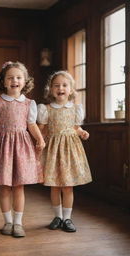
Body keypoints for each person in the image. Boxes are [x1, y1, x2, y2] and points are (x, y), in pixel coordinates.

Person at [0, 61, 45, 238]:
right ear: (4, 82)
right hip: (3, 147)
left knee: (19, 186)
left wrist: (40, 138)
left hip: (22, 147)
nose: (15, 80)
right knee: (5, 186)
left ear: (25, 81)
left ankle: (18, 223)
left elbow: (31, 125)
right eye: (10, 77)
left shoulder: (29, 103)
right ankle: (7, 221)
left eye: (19, 77)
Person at [37, 70, 92, 232]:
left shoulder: (75, 108)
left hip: (69, 151)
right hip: (53, 150)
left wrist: (81, 132)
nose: (60, 88)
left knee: (68, 186)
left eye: (64, 85)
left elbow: (75, 127)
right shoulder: (46, 109)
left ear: (71, 89)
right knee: (55, 185)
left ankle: (67, 218)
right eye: (56, 85)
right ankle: (57, 216)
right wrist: (38, 141)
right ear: (51, 89)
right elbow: (42, 129)